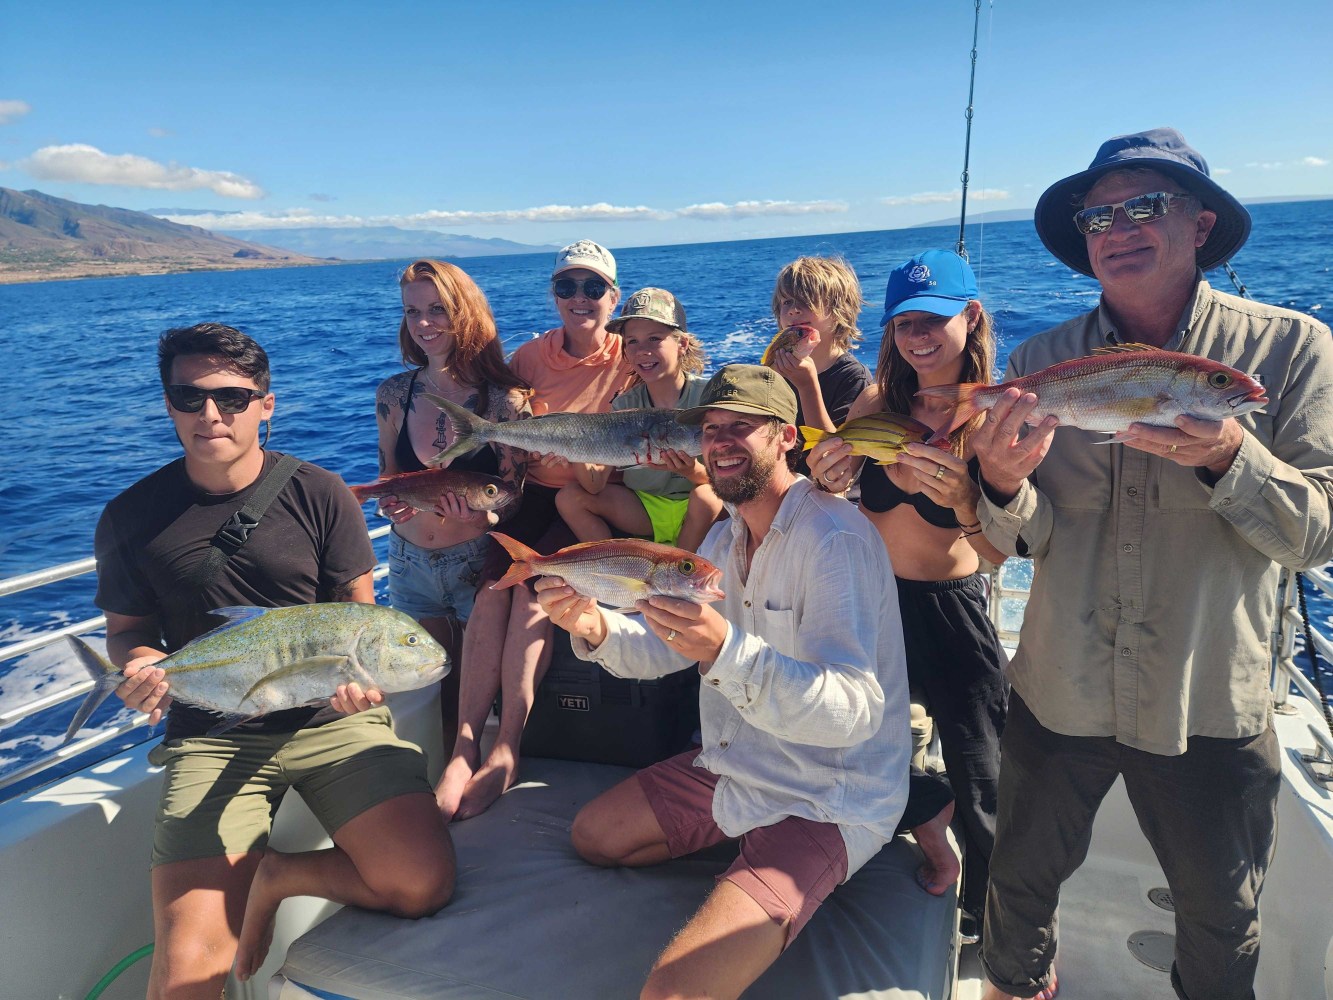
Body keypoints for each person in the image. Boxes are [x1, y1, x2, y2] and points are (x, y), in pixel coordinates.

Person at [970, 128, 1333, 1000]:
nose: (1116, 227)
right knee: (1013, 896)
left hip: (1204, 697)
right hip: (1060, 688)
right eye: (1097, 214)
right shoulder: (1035, 364)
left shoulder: (1290, 353)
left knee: (1217, 920)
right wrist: (997, 481)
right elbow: (1021, 540)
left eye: (1144, 205)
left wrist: (1226, 457)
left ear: (1200, 223)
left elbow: (1318, 535)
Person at [96, 324, 455, 998]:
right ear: (168, 403)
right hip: (212, 733)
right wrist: (144, 669)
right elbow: (129, 631)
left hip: (330, 722)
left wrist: (366, 690)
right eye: (189, 397)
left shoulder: (320, 493)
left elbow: (357, 615)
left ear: (266, 404)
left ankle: (280, 875)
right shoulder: (129, 515)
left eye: (233, 398)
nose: (211, 416)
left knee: (420, 884)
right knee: (187, 976)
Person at [533, 364, 912, 1000]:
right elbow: (663, 648)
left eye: (743, 427)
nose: (722, 442)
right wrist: (593, 626)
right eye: (712, 429)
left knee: (672, 993)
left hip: (825, 794)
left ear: (787, 436)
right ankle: (747, 857)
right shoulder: (722, 534)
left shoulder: (835, 539)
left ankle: (769, 870)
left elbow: (854, 711)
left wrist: (727, 651)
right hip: (737, 765)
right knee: (594, 837)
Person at [808, 249, 1009, 935]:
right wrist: (829, 473)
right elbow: (837, 491)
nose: (917, 337)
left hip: (950, 613)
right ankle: (929, 821)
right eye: (902, 324)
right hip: (871, 605)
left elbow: (995, 551)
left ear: (970, 317)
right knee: (852, 746)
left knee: (982, 775)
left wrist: (962, 503)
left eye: (932, 320)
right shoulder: (875, 404)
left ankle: (995, 913)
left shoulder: (990, 418)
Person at [437, 239, 634, 821]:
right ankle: (463, 745)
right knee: (490, 595)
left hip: (596, 502)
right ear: (553, 296)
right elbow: (504, 427)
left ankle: (508, 747)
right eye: (567, 287)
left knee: (533, 599)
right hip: (534, 497)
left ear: (613, 297)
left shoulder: (633, 356)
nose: (580, 298)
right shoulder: (528, 358)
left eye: (593, 287)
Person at [373, 259, 530, 738]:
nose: (423, 323)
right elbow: (387, 474)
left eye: (437, 309)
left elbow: (515, 499)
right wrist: (389, 502)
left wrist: (482, 515)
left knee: (473, 696)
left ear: (465, 312)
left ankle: (470, 776)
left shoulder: (506, 400)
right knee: (425, 692)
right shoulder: (394, 394)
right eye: (411, 311)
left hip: (471, 563)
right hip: (406, 563)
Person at [556, 286, 724, 552]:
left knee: (707, 497)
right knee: (569, 498)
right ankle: (611, 570)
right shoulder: (624, 406)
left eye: (654, 339)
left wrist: (691, 472)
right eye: (632, 341)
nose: (642, 350)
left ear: (681, 344)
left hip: (703, 510)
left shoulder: (712, 397)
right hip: (644, 509)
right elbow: (594, 484)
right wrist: (571, 447)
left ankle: (679, 570)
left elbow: (732, 481)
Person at [765, 255, 872, 478]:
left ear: (838, 311)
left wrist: (807, 386)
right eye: (786, 303)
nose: (794, 310)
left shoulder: (853, 378)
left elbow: (835, 462)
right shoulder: (777, 370)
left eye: (806, 300)